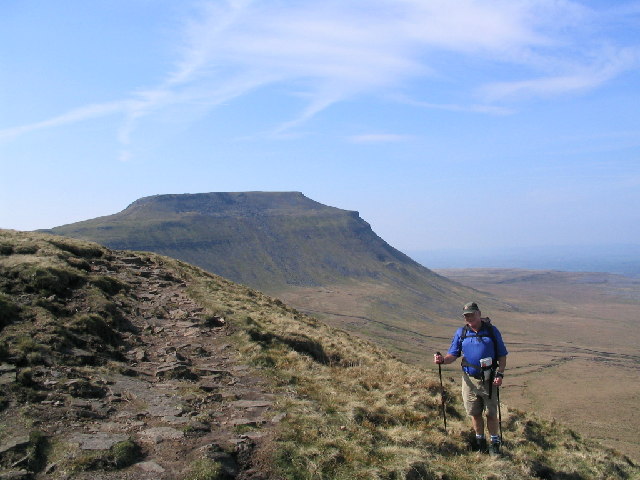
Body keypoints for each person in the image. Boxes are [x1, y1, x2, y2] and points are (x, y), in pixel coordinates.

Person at [434, 301, 508, 455]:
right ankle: (480, 441)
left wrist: (500, 373)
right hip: (469, 379)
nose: (469, 318)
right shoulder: (461, 333)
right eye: (466, 316)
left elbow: (502, 354)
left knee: (491, 413)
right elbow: (453, 354)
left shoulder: (492, 331)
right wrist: (443, 360)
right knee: (474, 412)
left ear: (479, 314)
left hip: (489, 379)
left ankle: (494, 442)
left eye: (472, 315)